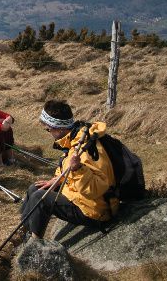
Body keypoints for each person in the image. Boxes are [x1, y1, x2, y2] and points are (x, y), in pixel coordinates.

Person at [20, 100, 118, 238]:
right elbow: (66, 167)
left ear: (59, 128)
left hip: (93, 208)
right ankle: (24, 232)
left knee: (40, 198)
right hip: (76, 194)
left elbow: (97, 189)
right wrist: (56, 180)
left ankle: (34, 244)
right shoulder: (73, 139)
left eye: (48, 129)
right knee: (34, 189)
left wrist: (78, 169)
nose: (48, 133)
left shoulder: (86, 149)